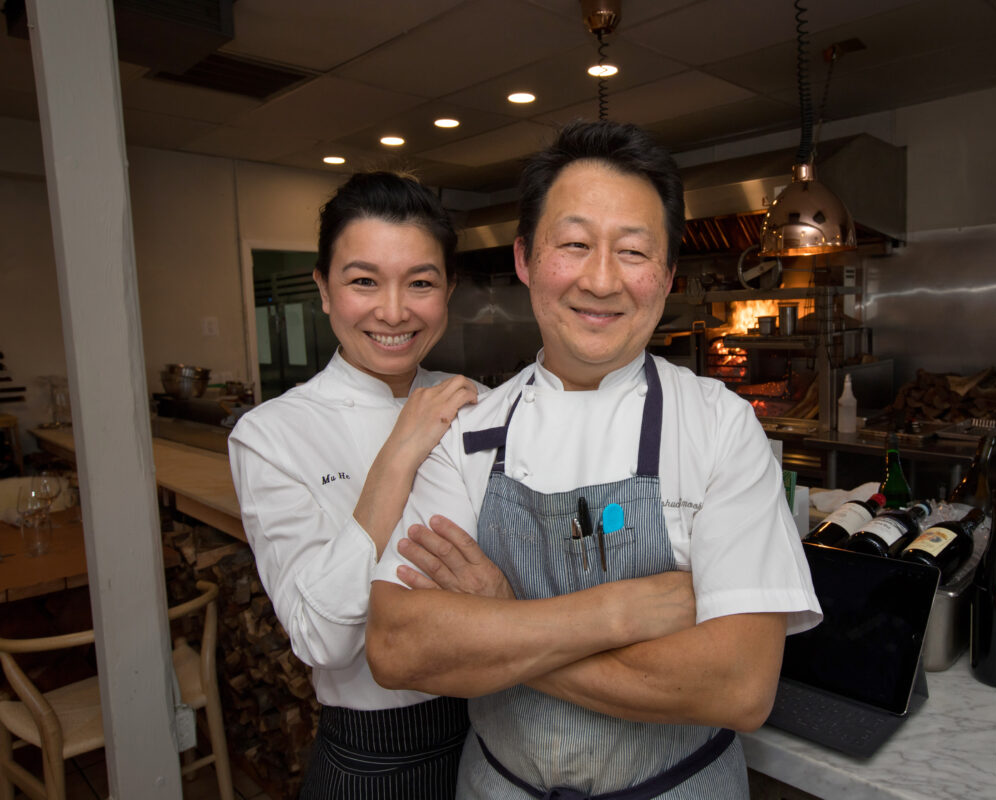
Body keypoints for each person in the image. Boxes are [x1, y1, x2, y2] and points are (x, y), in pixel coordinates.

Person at [366, 121, 822, 799]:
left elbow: (738, 684)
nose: (602, 280)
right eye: (574, 244)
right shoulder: (465, 431)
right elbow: (400, 646)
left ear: (666, 276)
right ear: (524, 258)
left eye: (634, 252)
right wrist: (619, 613)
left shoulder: (719, 428)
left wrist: (497, 617)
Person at [228, 171, 480, 799]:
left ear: (448, 289)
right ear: (323, 288)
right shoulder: (271, 434)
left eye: (420, 283)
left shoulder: (480, 405)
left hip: (504, 729)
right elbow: (321, 638)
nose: (393, 312)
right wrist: (396, 459)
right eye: (363, 280)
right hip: (377, 754)